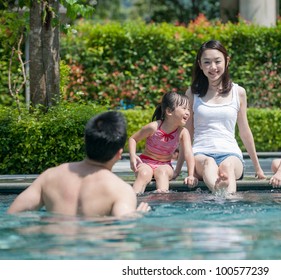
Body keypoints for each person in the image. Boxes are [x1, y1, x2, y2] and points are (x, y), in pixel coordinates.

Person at [7, 111, 150, 217]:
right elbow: (123, 235)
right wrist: (136, 216)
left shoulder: (50, 176)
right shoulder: (121, 190)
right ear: (119, 154)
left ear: (86, 142)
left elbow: (13, 214)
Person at [182, 40, 266, 194]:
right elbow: (186, 134)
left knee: (227, 166)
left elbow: (245, 131)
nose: (213, 67)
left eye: (217, 61)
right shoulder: (192, 93)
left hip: (231, 153)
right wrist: (180, 168)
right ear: (200, 65)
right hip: (201, 153)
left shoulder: (238, 92)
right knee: (209, 163)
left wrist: (258, 168)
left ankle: (225, 198)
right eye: (207, 62)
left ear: (227, 61)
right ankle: (220, 193)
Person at [128, 92, 198, 194]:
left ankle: (162, 202)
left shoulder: (183, 132)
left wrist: (190, 174)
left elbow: (188, 153)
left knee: (162, 172)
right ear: (169, 111)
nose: (188, 112)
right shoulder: (154, 127)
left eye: (188, 109)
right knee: (144, 173)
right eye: (184, 108)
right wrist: (132, 156)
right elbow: (133, 139)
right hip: (146, 162)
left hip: (165, 165)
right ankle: (133, 200)